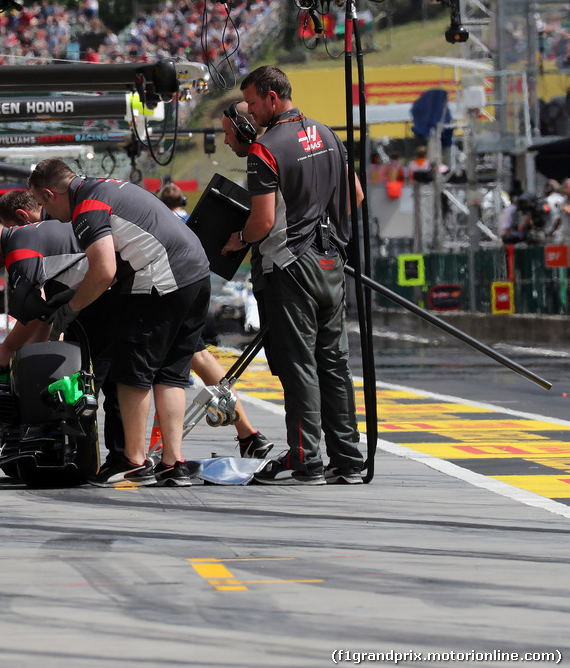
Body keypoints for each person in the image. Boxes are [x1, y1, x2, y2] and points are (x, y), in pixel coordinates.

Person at [221, 66, 365, 485]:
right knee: (333, 362)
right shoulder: (326, 133)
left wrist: (237, 240)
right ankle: (349, 459)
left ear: (270, 97)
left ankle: (305, 458)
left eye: (250, 102)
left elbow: (262, 222)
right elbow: (353, 195)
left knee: (298, 363)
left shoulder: (265, 149)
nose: (247, 111)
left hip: (289, 266)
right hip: (331, 262)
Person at [29, 158, 211, 488]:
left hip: (160, 279)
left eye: (43, 205)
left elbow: (104, 271)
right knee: (172, 373)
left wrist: (70, 308)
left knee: (131, 372)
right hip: (196, 273)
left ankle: (134, 461)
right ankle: (173, 463)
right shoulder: (109, 187)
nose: (48, 215)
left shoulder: (87, 206)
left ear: (49, 193)